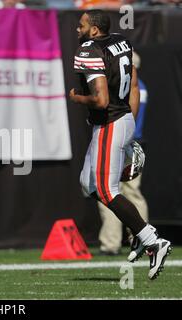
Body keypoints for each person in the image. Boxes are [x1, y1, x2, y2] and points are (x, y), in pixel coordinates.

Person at [69, 9, 171, 280]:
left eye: (81, 26)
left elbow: (101, 101)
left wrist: (78, 99)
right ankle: (139, 233)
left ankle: (152, 240)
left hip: (110, 122)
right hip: (122, 119)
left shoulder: (89, 50)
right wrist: (129, 124)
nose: (77, 30)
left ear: (93, 30)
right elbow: (134, 86)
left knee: (105, 189)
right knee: (87, 184)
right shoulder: (120, 41)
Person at [98, 51, 149, 256]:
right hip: (136, 142)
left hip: (118, 141)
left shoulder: (123, 87)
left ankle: (110, 243)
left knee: (107, 191)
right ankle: (142, 238)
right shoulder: (142, 86)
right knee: (133, 193)